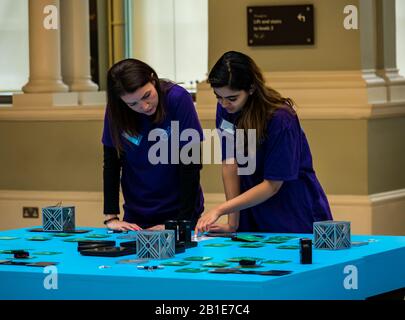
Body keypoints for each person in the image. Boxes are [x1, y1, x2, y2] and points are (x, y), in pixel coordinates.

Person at [195, 51, 332, 234]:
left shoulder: (281, 119)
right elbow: (230, 164)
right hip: (252, 208)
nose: (224, 104)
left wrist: (220, 209)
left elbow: (273, 185)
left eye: (232, 98)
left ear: (251, 88)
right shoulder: (226, 112)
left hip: (292, 209)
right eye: (218, 97)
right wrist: (232, 223)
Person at [102, 58, 204, 231]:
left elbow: (191, 163)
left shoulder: (178, 98)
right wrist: (111, 217)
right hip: (136, 217)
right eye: (132, 104)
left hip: (180, 213)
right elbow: (111, 162)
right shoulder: (116, 111)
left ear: (153, 79)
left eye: (147, 95)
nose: (144, 106)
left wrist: (180, 223)